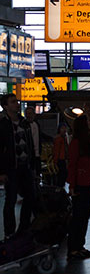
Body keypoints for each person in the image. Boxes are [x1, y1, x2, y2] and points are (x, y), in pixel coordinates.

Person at [66, 114, 90, 260]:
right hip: (82, 183)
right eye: (89, 120)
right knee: (79, 217)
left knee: (84, 217)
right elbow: (73, 164)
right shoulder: (77, 143)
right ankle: (74, 248)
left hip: (89, 182)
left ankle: (79, 246)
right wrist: (72, 185)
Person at [0, 94, 37, 237]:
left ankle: (23, 228)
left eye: (17, 101)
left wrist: (33, 166)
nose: (17, 104)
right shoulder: (3, 124)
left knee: (30, 196)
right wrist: (1, 171)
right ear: (6, 106)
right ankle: (9, 232)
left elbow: (30, 145)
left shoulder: (23, 123)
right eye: (13, 102)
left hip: (24, 166)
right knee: (11, 199)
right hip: (11, 168)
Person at [51, 123, 71, 189]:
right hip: (60, 159)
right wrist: (55, 160)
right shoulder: (60, 139)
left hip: (63, 158)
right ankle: (60, 187)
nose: (64, 130)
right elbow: (56, 150)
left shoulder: (63, 138)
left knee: (62, 174)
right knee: (62, 174)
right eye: (62, 128)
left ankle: (60, 187)